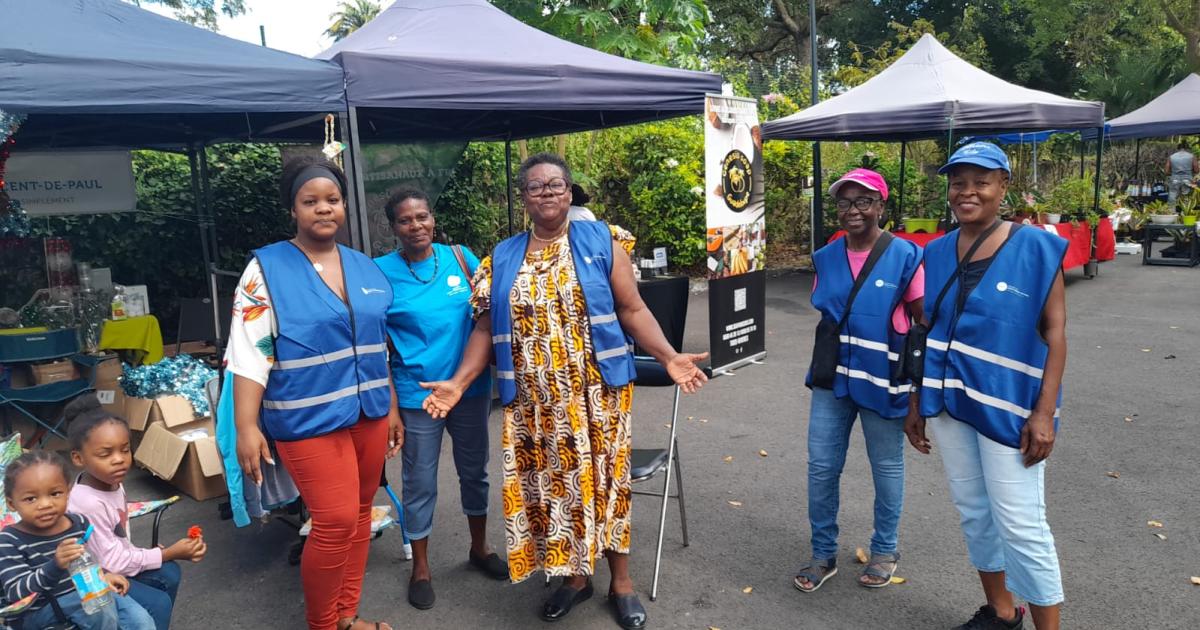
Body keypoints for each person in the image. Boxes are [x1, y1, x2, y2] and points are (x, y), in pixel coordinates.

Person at [420, 153, 708, 630]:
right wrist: (459, 382)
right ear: (524, 199)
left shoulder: (602, 241)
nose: (548, 193)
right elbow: (485, 327)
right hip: (535, 403)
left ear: (570, 192)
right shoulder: (504, 255)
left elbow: (632, 308)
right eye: (536, 187)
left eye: (556, 185)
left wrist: (667, 355)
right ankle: (575, 579)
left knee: (606, 486)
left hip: (596, 395)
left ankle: (620, 582)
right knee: (557, 490)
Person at [228, 156, 403, 630]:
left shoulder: (365, 268)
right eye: (311, 201)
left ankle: (347, 615)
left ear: (344, 205)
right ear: (293, 210)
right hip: (306, 420)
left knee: (362, 515)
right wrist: (246, 426)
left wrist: (389, 408)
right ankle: (323, 624)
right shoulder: (265, 269)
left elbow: (377, 348)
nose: (323, 209)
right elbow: (248, 353)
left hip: (367, 414)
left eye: (332, 200)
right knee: (335, 521)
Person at [905, 142, 1067, 630]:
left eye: (981, 180)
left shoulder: (1037, 247)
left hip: (1009, 410)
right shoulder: (934, 252)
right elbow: (928, 329)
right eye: (958, 182)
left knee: (1021, 525)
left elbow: (1055, 333)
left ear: (1003, 186)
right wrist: (916, 402)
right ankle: (1001, 612)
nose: (967, 191)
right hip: (950, 403)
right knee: (975, 511)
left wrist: (1043, 413)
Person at [372, 187, 506, 610]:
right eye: (406, 220)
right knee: (420, 481)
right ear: (394, 227)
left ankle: (479, 548)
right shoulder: (379, 273)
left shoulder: (461, 258)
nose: (417, 226)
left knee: (474, 471)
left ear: (433, 219)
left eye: (423, 217)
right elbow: (377, 347)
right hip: (418, 396)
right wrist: (392, 407)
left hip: (469, 390)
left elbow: (486, 315)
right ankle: (422, 567)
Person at [794, 168, 925, 594]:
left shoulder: (906, 255)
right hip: (833, 377)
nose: (853, 210)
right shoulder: (826, 256)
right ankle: (822, 553)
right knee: (821, 466)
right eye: (845, 202)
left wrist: (917, 393)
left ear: (880, 206)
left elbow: (922, 324)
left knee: (886, 465)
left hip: (883, 379)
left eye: (863, 201)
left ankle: (885, 549)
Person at [66, 395, 206, 630]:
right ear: (78, 458)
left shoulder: (111, 483)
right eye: (105, 454)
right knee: (158, 603)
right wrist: (166, 553)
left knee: (169, 573)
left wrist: (154, 555)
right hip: (95, 578)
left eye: (125, 450)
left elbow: (116, 539)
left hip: (114, 564)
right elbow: (113, 561)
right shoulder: (87, 502)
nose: (119, 460)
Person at [0, 450, 155, 630]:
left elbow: (87, 561)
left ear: (68, 492)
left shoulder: (77, 523)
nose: (45, 504)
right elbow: (15, 592)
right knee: (98, 609)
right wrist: (55, 565)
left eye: (55, 493)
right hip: (40, 610)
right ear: (11, 503)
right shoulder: (9, 540)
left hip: (88, 594)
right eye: (31, 498)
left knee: (140, 621)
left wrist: (104, 574)